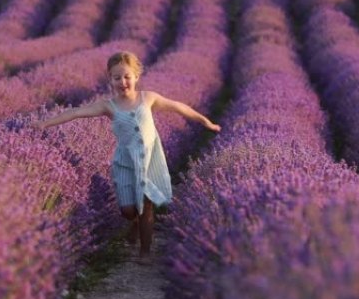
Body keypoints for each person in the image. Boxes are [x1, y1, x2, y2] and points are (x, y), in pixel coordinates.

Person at [34, 51, 221, 257]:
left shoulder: (148, 98)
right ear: (110, 80)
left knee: (146, 207)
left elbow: (178, 107)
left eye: (127, 77)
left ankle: (145, 252)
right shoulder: (109, 106)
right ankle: (133, 223)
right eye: (117, 78)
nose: (122, 82)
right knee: (128, 210)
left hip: (149, 161)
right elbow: (76, 112)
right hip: (125, 163)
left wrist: (205, 121)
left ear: (136, 77)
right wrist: (44, 123)